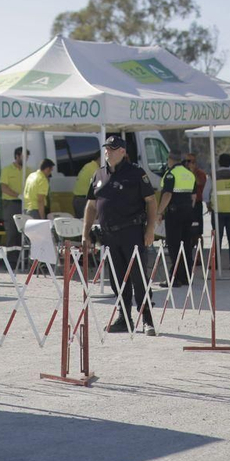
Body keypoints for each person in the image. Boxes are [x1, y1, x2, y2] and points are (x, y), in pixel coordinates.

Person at [83, 133, 158, 334]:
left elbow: (151, 201)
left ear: (123, 152)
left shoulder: (135, 173)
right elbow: (91, 205)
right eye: (106, 148)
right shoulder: (98, 175)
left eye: (112, 149)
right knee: (117, 279)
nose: (108, 151)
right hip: (108, 236)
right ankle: (124, 319)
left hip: (132, 233)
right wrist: (85, 232)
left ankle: (148, 319)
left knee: (138, 277)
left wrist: (151, 229)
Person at [157, 155, 199, 286]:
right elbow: (193, 196)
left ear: (170, 160)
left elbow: (167, 194)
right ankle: (186, 276)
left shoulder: (171, 174)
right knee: (186, 245)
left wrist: (159, 212)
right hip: (187, 213)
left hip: (174, 213)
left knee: (174, 245)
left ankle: (175, 277)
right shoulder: (189, 174)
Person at [0, 146, 28, 264]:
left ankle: (24, 259)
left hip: (25, 204)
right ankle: (11, 261)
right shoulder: (7, 170)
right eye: (23, 156)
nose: (25, 159)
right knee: (12, 232)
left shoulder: (28, 170)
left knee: (25, 232)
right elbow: (4, 187)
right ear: (17, 156)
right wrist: (17, 195)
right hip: (11, 203)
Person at [72, 154, 99, 221]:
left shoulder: (88, 166)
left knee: (81, 222)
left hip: (77, 199)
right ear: (100, 158)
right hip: (83, 200)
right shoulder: (95, 169)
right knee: (88, 222)